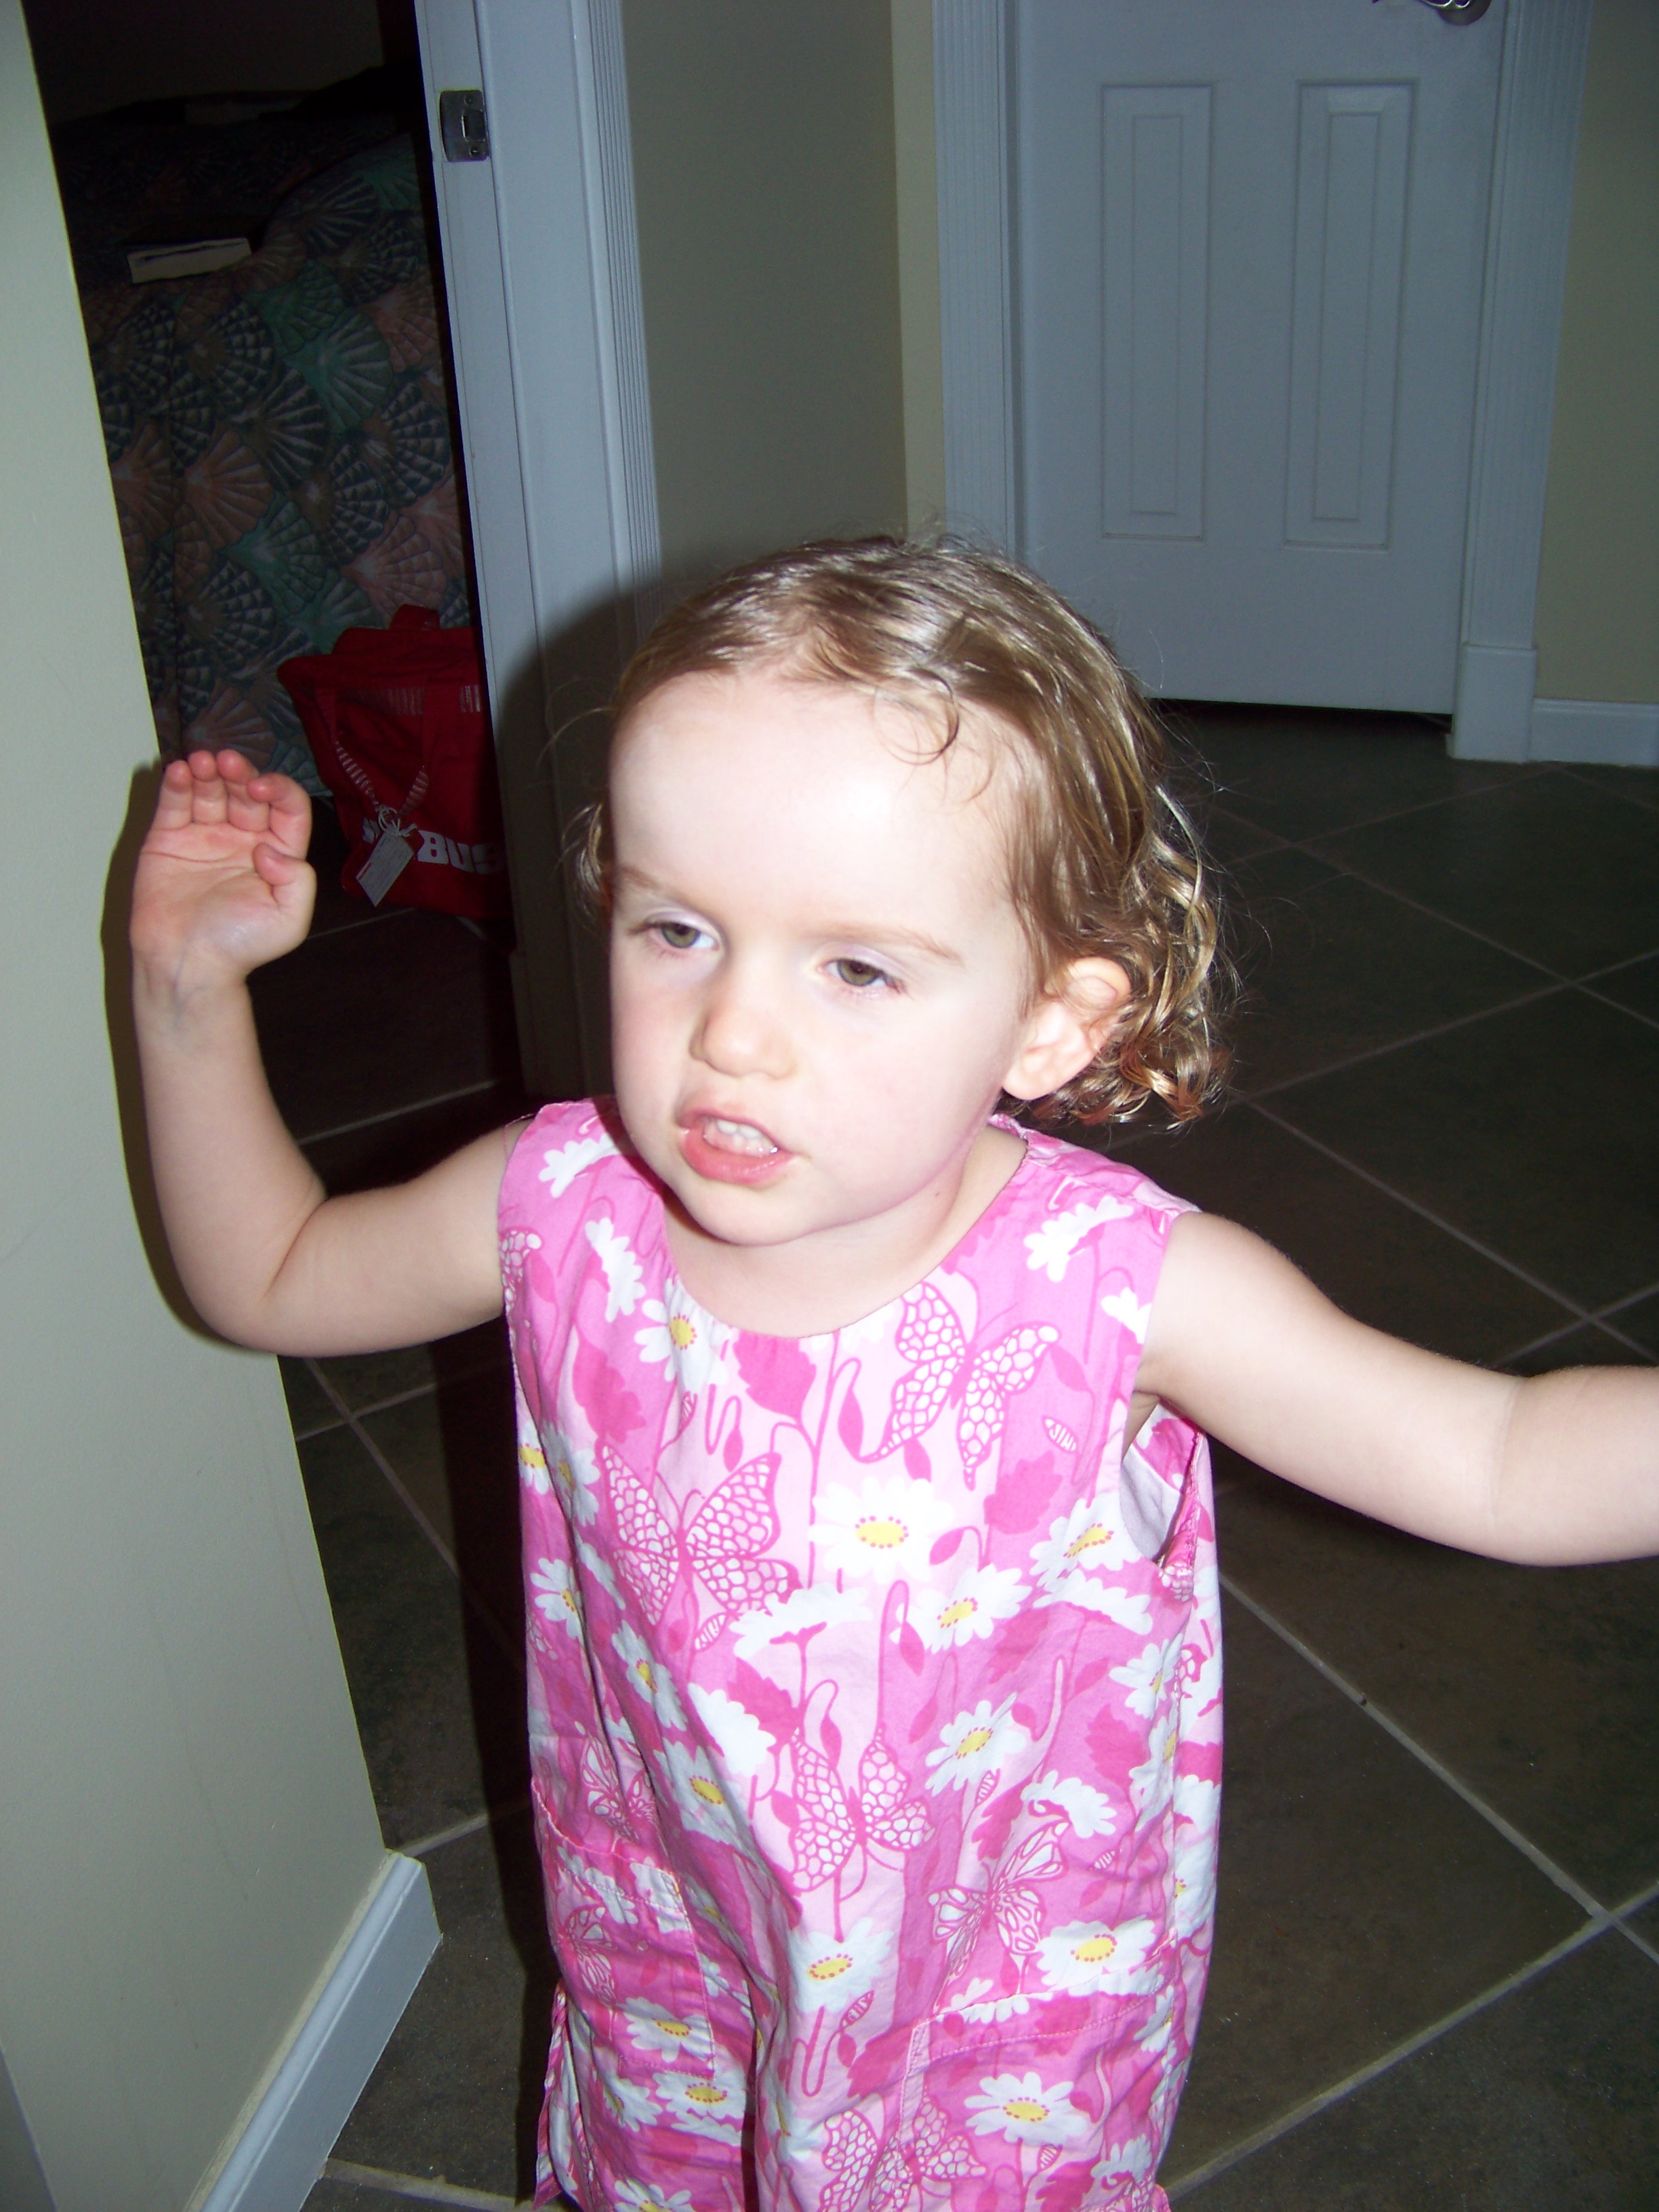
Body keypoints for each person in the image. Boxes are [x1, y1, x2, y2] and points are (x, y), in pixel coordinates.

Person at [130, 539, 1656, 2212]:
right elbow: (272, 1274)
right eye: (678, 929)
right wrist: (187, 994)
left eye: (854, 967)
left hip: (986, 2024)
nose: (732, 1034)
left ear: (1050, 1024)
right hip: (674, 1947)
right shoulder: (559, 1203)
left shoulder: (1120, 1293)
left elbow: (1498, 1457)